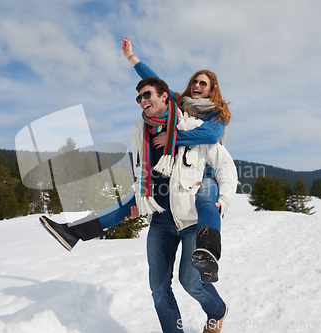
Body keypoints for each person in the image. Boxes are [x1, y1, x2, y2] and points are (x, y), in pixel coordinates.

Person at [40, 76, 237, 333]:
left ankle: (217, 311)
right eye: (139, 98)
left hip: (189, 221)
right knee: (158, 289)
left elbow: (225, 166)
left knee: (191, 283)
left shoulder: (191, 128)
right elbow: (144, 175)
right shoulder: (140, 133)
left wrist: (224, 200)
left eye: (147, 95)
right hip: (160, 223)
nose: (142, 101)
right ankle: (73, 232)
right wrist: (139, 203)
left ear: (164, 97)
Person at [122, 37, 232, 282]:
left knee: (206, 201)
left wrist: (172, 139)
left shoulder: (218, 113)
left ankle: (209, 253)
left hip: (207, 170)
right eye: (194, 80)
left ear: (211, 89)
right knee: (139, 196)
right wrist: (132, 58)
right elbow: (156, 83)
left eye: (203, 83)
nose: (196, 84)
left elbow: (210, 136)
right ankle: (81, 229)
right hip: (182, 171)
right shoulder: (180, 102)